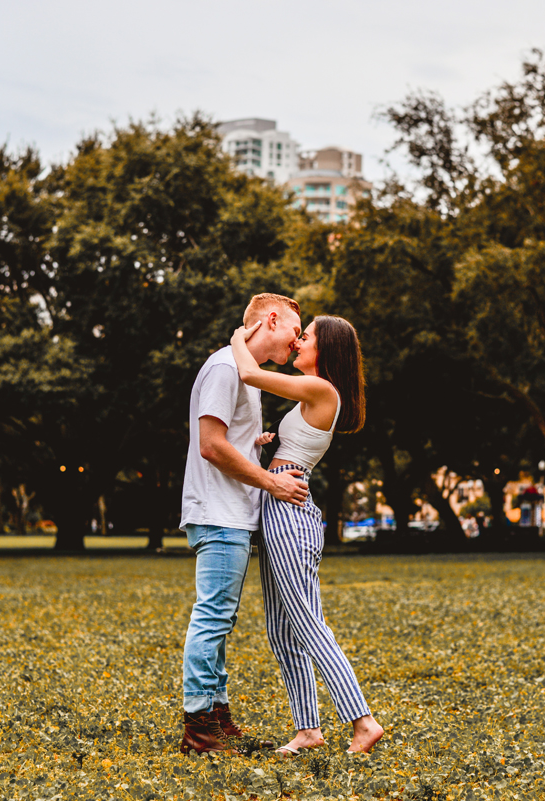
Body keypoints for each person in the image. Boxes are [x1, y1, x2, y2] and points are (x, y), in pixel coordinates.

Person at [230, 315, 384, 756]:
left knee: (308, 624)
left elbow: (250, 373)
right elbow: (292, 450)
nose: (298, 341)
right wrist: (264, 445)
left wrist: (240, 337)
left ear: (328, 348)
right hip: (279, 509)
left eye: (307, 336)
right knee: (282, 631)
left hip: (290, 514)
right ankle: (308, 730)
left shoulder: (322, 389)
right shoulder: (310, 398)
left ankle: (363, 721)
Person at [178, 293, 311, 755]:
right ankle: (199, 729)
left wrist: (254, 442)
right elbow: (211, 446)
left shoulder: (246, 376)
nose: (297, 341)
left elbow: (226, 438)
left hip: (231, 513)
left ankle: (217, 716)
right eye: (296, 330)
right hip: (218, 513)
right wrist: (271, 484)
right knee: (212, 617)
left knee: (221, 618)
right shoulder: (223, 368)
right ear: (271, 320)